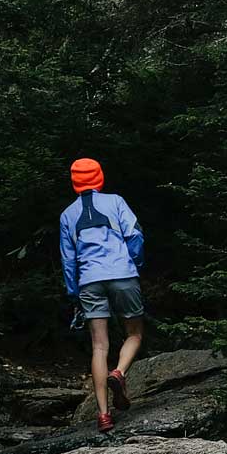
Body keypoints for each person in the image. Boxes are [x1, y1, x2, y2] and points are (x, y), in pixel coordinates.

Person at [60, 157, 144, 433]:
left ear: (75, 182)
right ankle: (118, 372)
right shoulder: (116, 201)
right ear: (99, 178)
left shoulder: (67, 215)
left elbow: (68, 259)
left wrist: (74, 293)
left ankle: (104, 415)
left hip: (89, 281)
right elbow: (134, 235)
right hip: (122, 273)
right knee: (134, 333)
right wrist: (134, 263)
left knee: (99, 346)